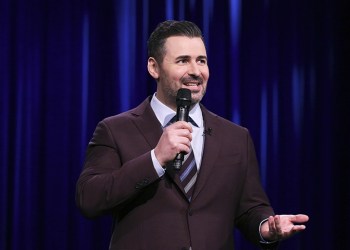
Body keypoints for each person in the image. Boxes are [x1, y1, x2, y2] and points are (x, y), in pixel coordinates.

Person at [76, 20, 309, 250]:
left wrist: (265, 228)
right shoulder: (115, 129)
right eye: (183, 61)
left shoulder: (236, 137)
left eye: (201, 61)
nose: (196, 71)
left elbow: (250, 209)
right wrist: (155, 159)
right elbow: (90, 199)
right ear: (154, 67)